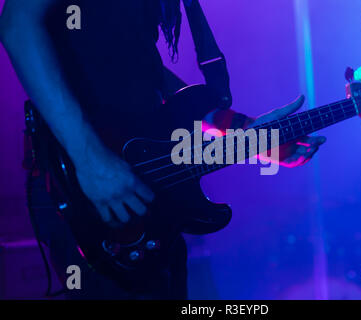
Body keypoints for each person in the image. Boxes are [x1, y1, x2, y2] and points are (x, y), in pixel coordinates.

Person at [0, 0, 326, 299]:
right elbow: (17, 24)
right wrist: (89, 159)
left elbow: (140, 67)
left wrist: (243, 131)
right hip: (85, 185)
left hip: (145, 182)